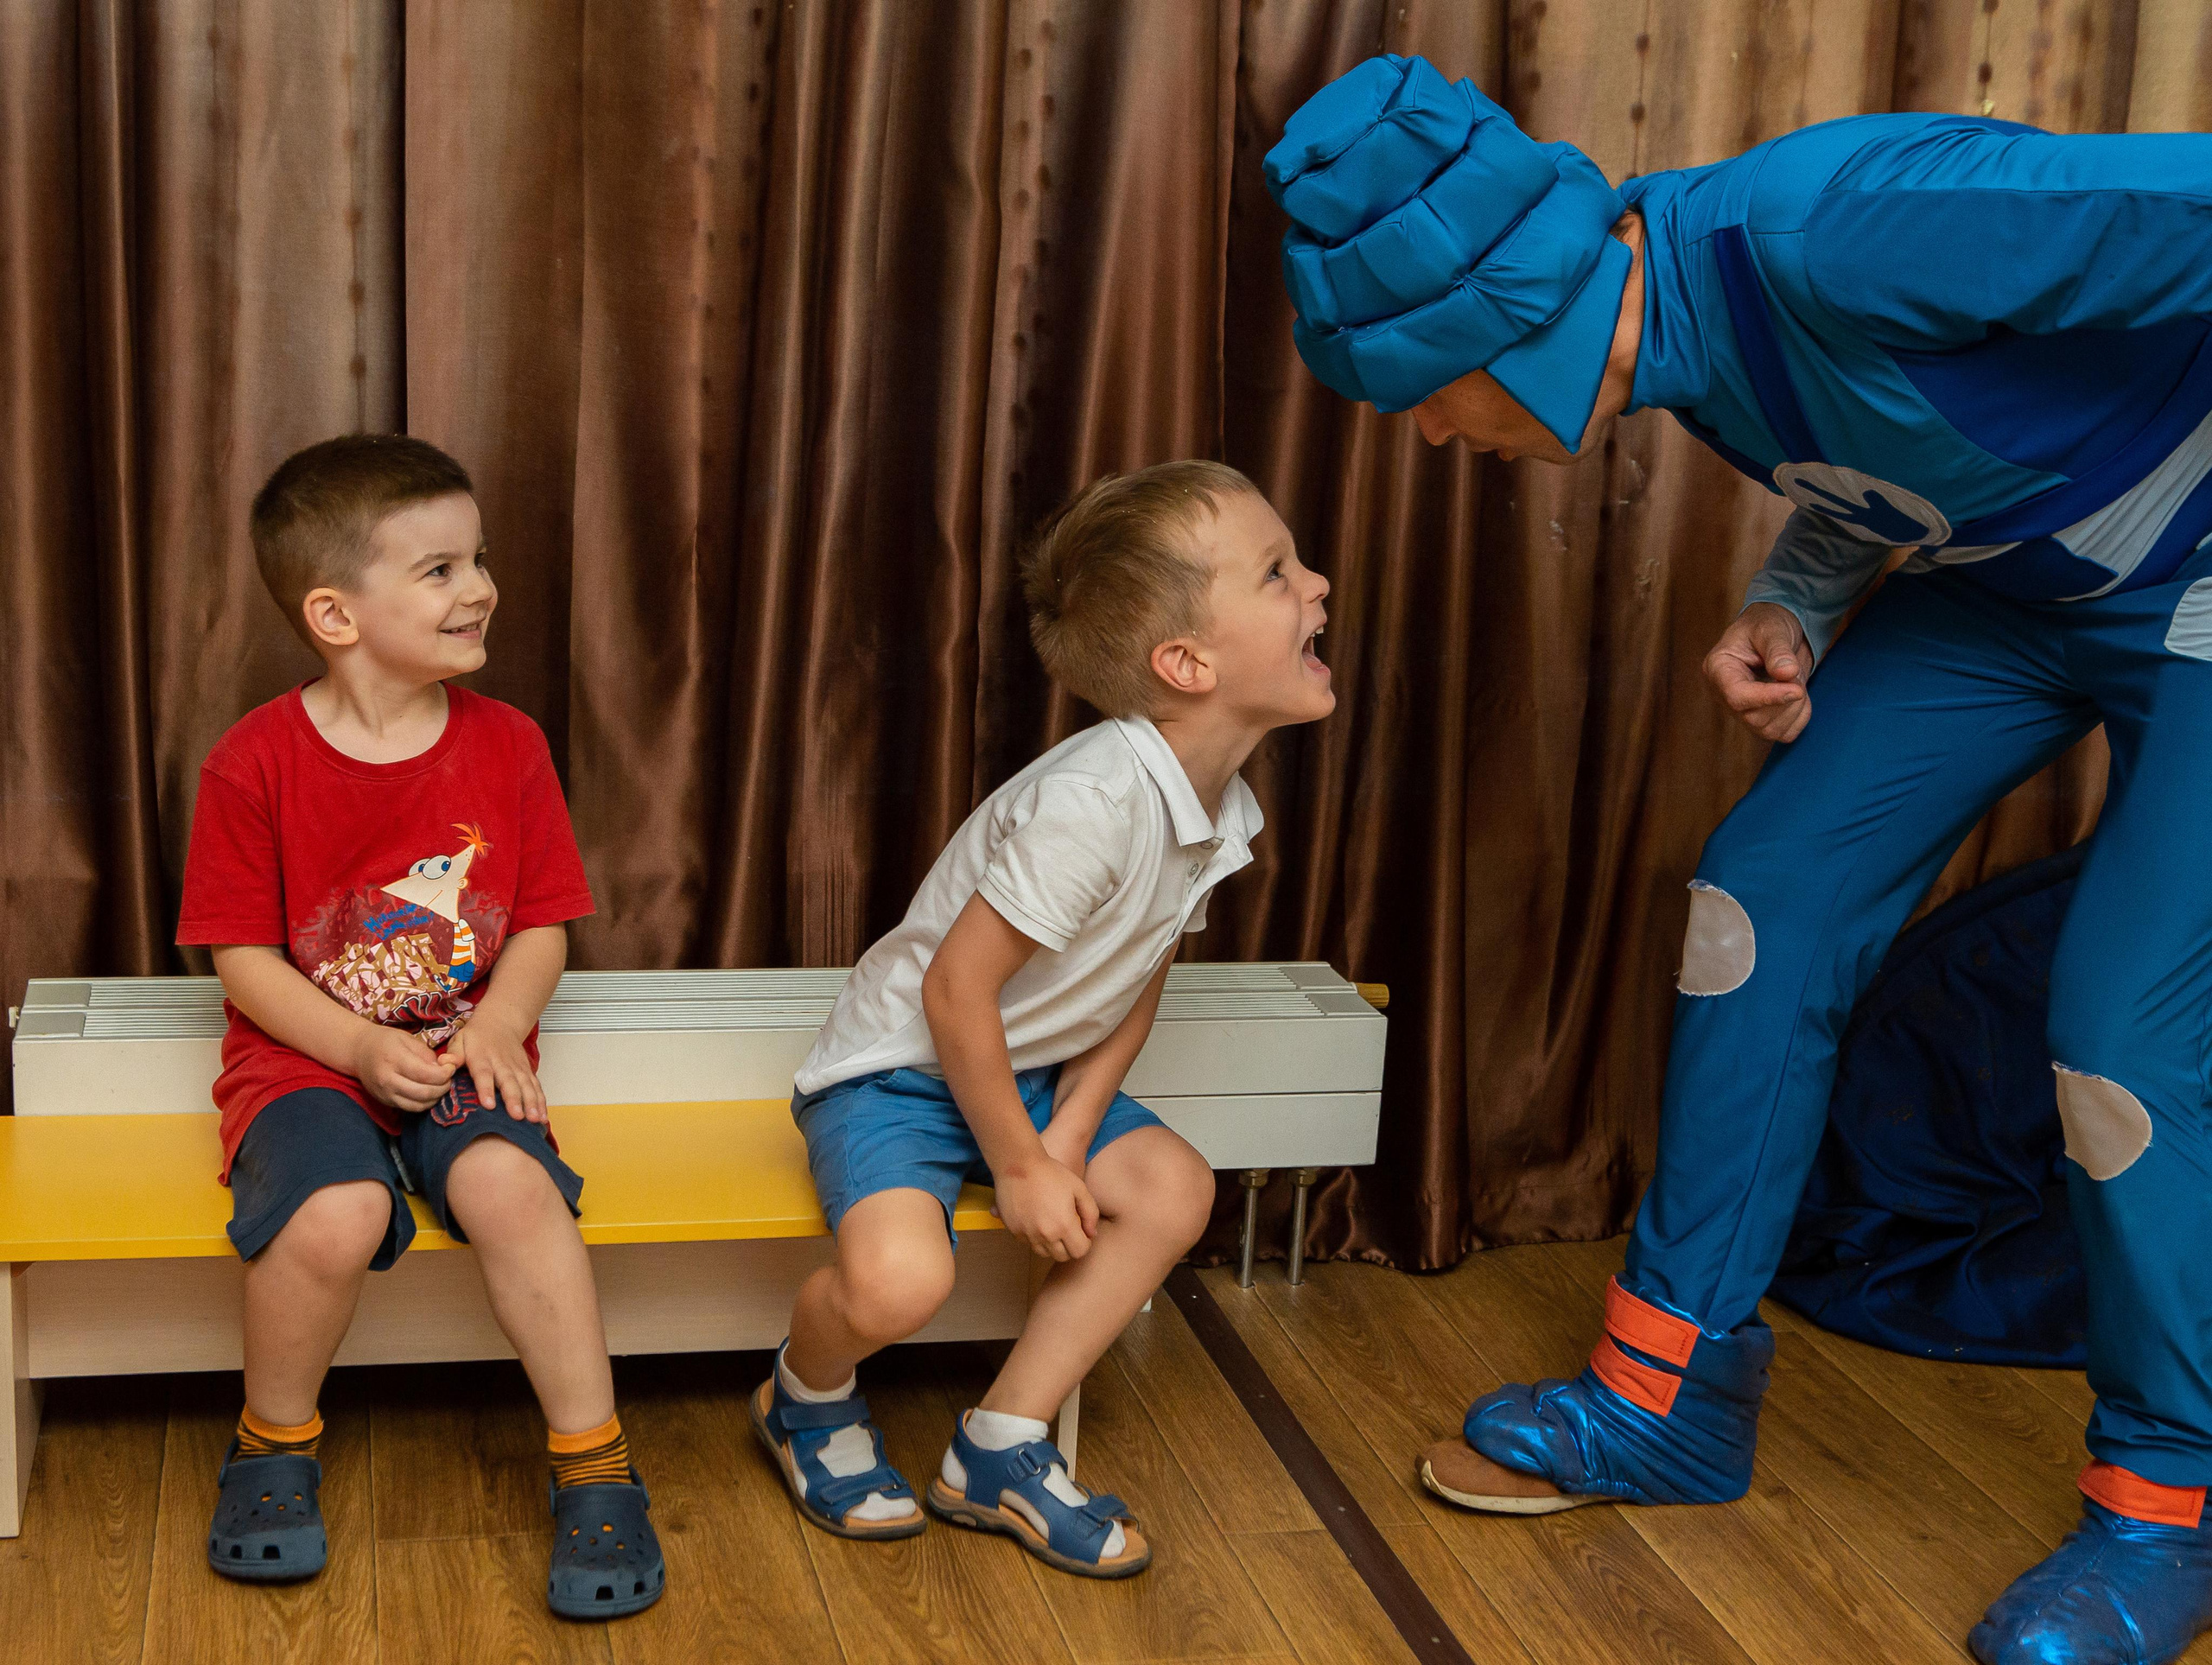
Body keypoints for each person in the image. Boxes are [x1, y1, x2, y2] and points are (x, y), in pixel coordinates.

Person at [1268, 53, 2212, 1665]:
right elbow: (1910, 423)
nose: (1429, 441)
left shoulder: (1847, 225)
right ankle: (1668, 1400)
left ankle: (2168, 1505)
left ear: (1502, 321)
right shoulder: (1675, 331)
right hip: (2016, 592)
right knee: (1754, 909)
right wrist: (1806, 595)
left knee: (2121, 1040)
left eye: (1420, 398)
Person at [752, 460, 1334, 1579]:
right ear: (1187, 663)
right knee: (898, 1286)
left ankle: (1000, 1442)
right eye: (1278, 572)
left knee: (1175, 1188)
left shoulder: (1220, 802)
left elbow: (1140, 972)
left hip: (1020, 1071)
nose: (1317, 583)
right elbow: (953, 992)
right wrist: (1021, 1165)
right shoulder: (1095, 800)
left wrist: (1066, 1135)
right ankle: (803, 1397)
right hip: (901, 1070)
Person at [175, 435, 664, 1619]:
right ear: (336, 613)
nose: (481, 587)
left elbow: (543, 922)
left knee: (513, 1191)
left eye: (479, 558)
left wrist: (502, 1021)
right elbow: (238, 957)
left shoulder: (508, 745)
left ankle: (594, 1459)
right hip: (307, 1062)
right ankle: (272, 1444)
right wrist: (348, 1047)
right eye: (441, 569)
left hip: (462, 1048)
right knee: (336, 1214)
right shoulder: (254, 762)